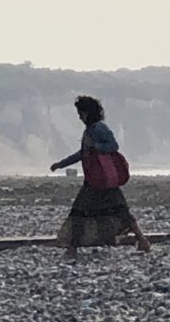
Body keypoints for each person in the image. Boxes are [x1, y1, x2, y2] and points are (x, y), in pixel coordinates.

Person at [50, 95, 151, 259]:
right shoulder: (89, 130)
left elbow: (113, 146)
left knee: (80, 213)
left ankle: (72, 248)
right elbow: (82, 153)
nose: (80, 117)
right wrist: (61, 164)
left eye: (81, 113)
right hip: (96, 179)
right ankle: (142, 241)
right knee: (119, 212)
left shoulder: (99, 128)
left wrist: (95, 146)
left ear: (88, 113)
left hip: (101, 180)